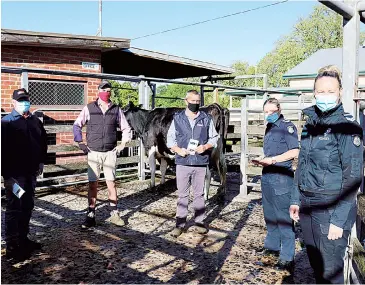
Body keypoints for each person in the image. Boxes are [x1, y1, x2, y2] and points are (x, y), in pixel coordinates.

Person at [289, 65, 363, 284]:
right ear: (314, 92)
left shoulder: (348, 128)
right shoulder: (309, 125)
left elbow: (353, 178)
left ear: (340, 92)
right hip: (308, 206)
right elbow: (301, 164)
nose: (325, 96)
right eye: (321, 91)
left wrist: (338, 220)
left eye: (330, 91)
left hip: (331, 209)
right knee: (317, 267)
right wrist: (295, 199)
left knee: (331, 272)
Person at [73, 81, 132, 229]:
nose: (107, 91)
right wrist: (80, 142)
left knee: (111, 183)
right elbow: (77, 125)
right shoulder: (89, 108)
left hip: (110, 152)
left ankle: (114, 213)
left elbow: (126, 128)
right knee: (93, 184)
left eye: (109, 89)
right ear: (98, 91)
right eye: (104, 89)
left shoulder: (116, 109)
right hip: (93, 151)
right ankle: (91, 213)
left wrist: (123, 144)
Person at [252, 98, 299, 270]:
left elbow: (295, 151)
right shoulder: (269, 127)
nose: (268, 115)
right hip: (268, 177)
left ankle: (287, 257)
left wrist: (272, 160)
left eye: (272, 112)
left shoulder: (287, 127)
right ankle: (271, 249)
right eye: (266, 112)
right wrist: (262, 161)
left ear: (279, 110)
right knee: (270, 216)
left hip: (281, 178)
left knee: (284, 219)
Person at [1, 88, 48, 261]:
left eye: (26, 99)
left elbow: (43, 142)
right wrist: (6, 175)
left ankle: (23, 238)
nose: (24, 103)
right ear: (13, 103)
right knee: (15, 206)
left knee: (27, 205)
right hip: (14, 176)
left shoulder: (35, 121)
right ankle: (12, 245)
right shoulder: (6, 123)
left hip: (30, 174)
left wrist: (42, 161)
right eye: (20, 100)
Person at [167, 90, 219, 238]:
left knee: (199, 194)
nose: (195, 104)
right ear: (186, 101)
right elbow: (170, 140)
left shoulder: (206, 118)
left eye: (197, 101)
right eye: (193, 101)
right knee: (182, 195)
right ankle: (180, 224)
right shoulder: (177, 119)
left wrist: (205, 147)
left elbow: (214, 138)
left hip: (200, 162)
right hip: (183, 162)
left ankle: (199, 222)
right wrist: (178, 150)